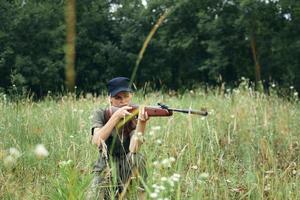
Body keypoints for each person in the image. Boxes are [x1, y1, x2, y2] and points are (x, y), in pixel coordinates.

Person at [86, 77, 148, 199]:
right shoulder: (101, 113)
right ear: (109, 98)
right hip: (106, 166)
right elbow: (97, 140)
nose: (123, 101)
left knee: (138, 158)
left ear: (131, 96)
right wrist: (115, 117)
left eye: (126, 96)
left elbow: (134, 149)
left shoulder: (134, 115)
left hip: (126, 167)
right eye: (117, 97)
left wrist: (142, 123)